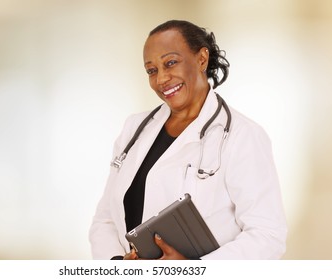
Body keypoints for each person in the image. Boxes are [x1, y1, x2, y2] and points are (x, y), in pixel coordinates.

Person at [89, 20, 287, 260]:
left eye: (171, 63)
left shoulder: (242, 135)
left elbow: (268, 235)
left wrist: (193, 269)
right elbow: (106, 219)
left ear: (202, 59)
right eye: (152, 70)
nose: (161, 79)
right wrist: (117, 263)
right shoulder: (134, 129)